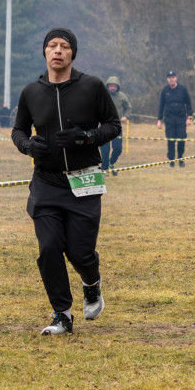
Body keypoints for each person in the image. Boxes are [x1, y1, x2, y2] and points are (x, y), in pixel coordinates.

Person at [12, 28, 122, 336]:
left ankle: (91, 283)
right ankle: (62, 314)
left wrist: (87, 137)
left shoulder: (92, 87)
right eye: (52, 46)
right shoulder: (31, 91)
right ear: (44, 53)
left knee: (79, 252)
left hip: (84, 179)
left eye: (64, 46)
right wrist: (28, 146)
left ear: (72, 53)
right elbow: (18, 131)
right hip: (46, 182)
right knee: (49, 248)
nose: (57, 50)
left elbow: (113, 125)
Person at [156, 70, 193, 167]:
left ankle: (180, 158)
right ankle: (171, 160)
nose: (171, 79)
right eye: (169, 78)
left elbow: (188, 103)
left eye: (173, 77)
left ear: (176, 78)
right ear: (167, 79)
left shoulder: (183, 89)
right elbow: (161, 106)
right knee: (171, 140)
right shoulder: (164, 91)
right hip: (169, 119)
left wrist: (189, 117)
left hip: (181, 119)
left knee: (181, 139)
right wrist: (159, 120)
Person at [100, 76, 131, 176]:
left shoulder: (122, 96)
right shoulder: (102, 95)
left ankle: (112, 163)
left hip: (116, 126)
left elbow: (128, 107)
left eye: (115, 86)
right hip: (103, 126)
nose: (113, 88)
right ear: (108, 86)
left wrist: (126, 116)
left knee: (118, 149)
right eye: (111, 86)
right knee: (105, 150)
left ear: (117, 87)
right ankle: (104, 169)